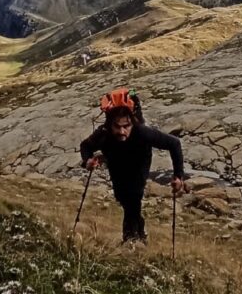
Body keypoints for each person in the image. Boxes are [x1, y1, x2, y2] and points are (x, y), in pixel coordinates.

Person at [79, 105, 187, 244]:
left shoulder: (143, 132)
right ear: (110, 125)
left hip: (139, 163)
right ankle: (138, 233)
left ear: (132, 124)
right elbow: (85, 146)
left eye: (126, 126)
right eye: (117, 127)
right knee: (123, 198)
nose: (122, 131)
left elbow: (174, 143)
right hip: (116, 163)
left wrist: (178, 176)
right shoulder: (103, 134)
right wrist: (87, 160)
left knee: (134, 196)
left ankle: (132, 238)